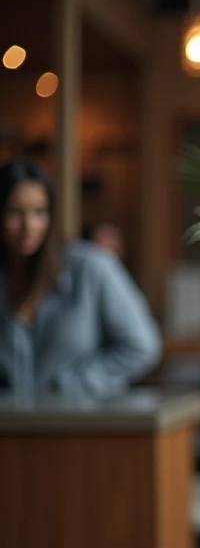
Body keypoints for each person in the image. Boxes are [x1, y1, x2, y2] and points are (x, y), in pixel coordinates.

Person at [0, 158, 161, 399]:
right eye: (15, 212)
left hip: (80, 418)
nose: (29, 226)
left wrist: (70, 387)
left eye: (39, 212)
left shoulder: (91, 268)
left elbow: (142, 346)